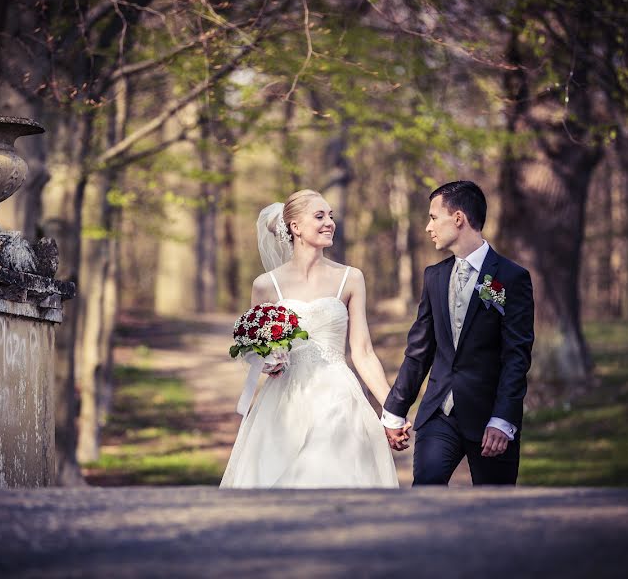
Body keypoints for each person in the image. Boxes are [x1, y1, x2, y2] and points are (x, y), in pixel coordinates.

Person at [220, 189, 399, 488]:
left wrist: (391, 409)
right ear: (295, 227)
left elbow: (363, 352)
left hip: (338, 397)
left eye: (331, 216)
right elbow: (254, 347)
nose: (329, 222)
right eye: (319, 216)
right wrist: (268, 359)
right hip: (282, 401)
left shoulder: (351, 278)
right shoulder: (266, 285)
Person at [382, 181, 534, 486]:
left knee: (496, 510)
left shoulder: (512, 278)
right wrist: (394, 413)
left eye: (433, 217)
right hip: (439, 415)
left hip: (490, 420)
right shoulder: (434, 277)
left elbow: (516, 357)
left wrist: (503, 420)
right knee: (426, 491)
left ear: (459, 218)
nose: (428, 227)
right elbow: (418, 351)